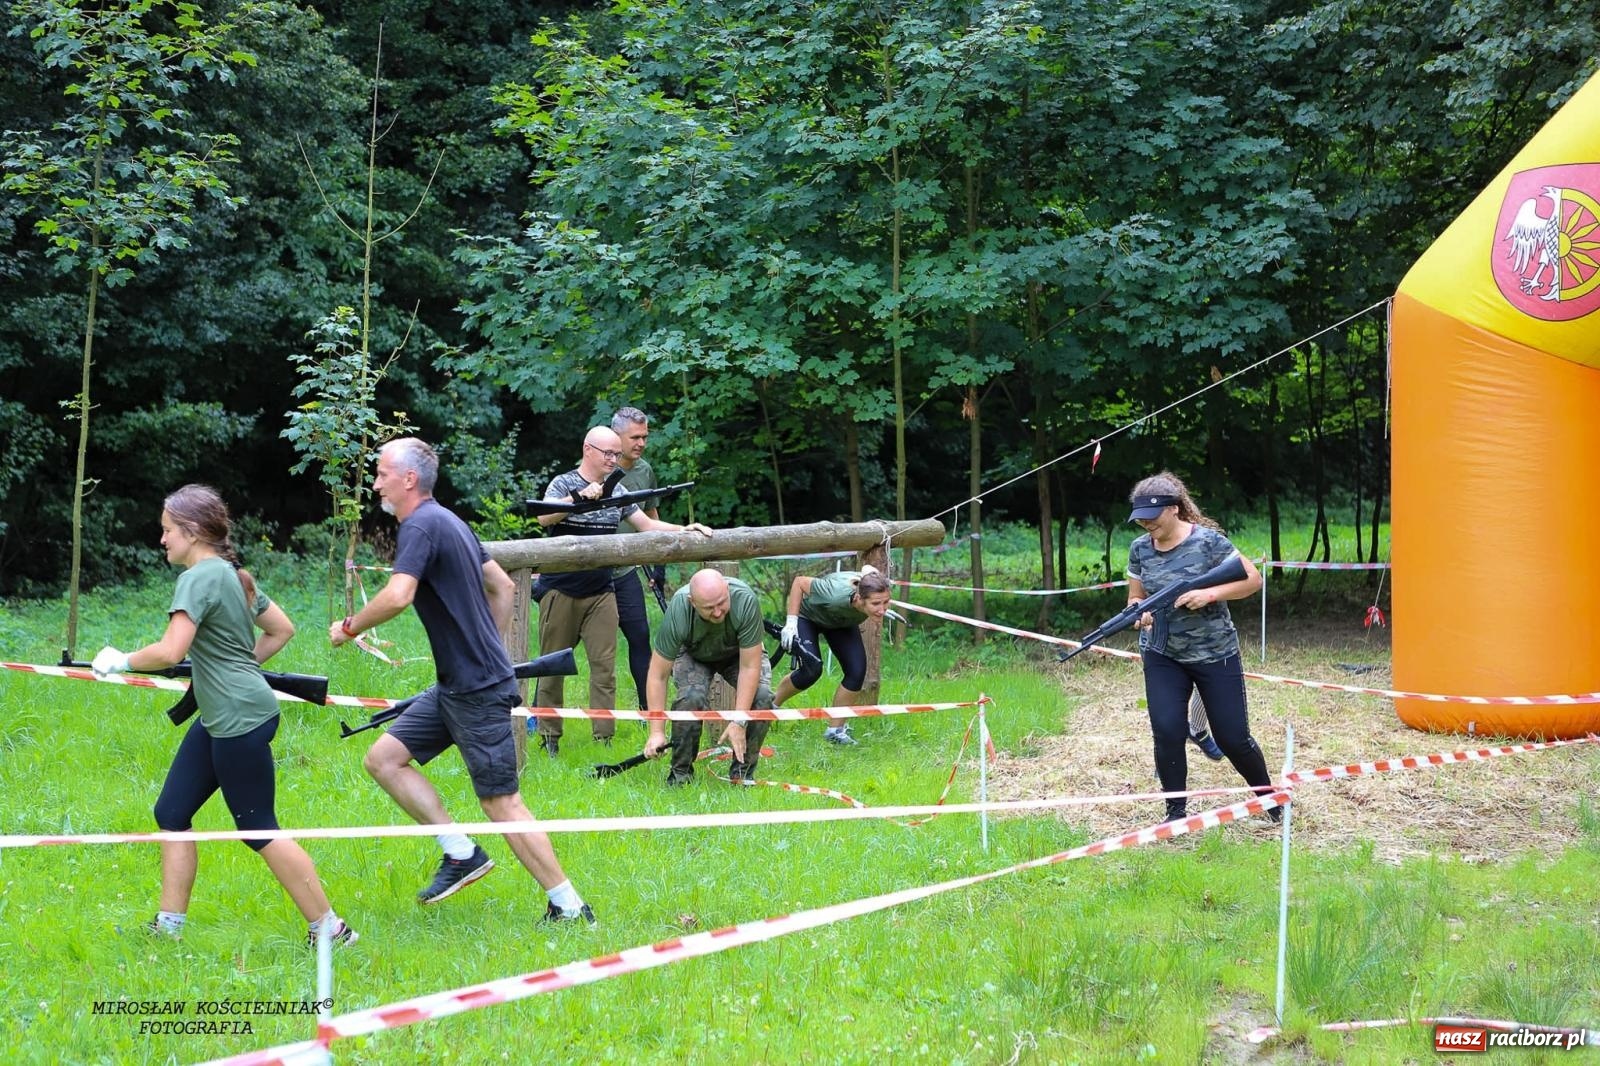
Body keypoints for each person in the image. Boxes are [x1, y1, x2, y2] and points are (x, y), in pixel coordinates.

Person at [330, 437, 594, 922]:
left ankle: (571, 907)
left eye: (382, 472)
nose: (376, 482)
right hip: (456, 685)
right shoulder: (450, 521)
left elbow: (398, 595)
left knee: (502, 804)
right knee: (385, 759)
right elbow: (504, 585)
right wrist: (485, 648)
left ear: (409, 479)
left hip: (476, 691)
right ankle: (460, 852)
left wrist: (349, 628)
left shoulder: (421, 527)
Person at [92, 484, 355, 946]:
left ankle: (331, 929)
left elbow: (171, 649)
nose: (163, 539)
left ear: (192, 532)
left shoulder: (198, 578)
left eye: (168, 530)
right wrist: (237, 666)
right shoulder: (234, 575)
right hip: (224, 714)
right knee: (172, 811)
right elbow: (281, 630)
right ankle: (169, 929)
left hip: (239, 718)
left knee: (258, 830)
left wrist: (122, 660)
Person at [531, 424, 709, 757]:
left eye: (617, 453)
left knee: (604, 668)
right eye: (608, 453)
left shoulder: (618, 488)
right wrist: (577, 500)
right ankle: (549, 735)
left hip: (602, 589)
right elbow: (543, 517)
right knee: (551, 667)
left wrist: (685, 529)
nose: (614, 459)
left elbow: (647, 525)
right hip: (561, 590)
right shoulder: (564, 482)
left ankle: (603, 738)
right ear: (588, 450)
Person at [1124, 471, 1277, 824]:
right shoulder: (1140, 549)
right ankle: (1175, 813)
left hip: (1214, 652)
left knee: (1233, 738)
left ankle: (1272, 801)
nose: (1147, 525)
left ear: (1174, 509)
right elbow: (1135, 596)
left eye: (1153, 517)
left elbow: (1252, 579)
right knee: (1167, 731)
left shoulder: (1209, 542)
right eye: (1140, 519)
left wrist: (1210, 594)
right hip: (1163, 653)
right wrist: (1138, 612)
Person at [642, 569, 772, 785]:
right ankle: (681, 775)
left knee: (763, 696)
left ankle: (742, 775)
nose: (719, 612)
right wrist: (656, 732)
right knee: (690, 699)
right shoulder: (679, 609)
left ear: (728, 591)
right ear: (693, 602)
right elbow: (657, 674)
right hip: (695, 653)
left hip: (737, 654)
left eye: (722, 603)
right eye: (709, 608)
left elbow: (750, 666)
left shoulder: (746, 600)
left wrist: (739, 720)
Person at [771, 566, 892, 745]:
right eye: (876, 604)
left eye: (886, 602)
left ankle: (835, 731)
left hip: (839, 621)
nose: (882, 610)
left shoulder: (874, 589)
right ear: (859, 598)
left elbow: (869, 572)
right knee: (811, 671)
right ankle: (768, 707)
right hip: (808, 617)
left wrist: (878, 607)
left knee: (856, 671)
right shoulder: (834, 594)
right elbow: (799, 582)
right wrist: (791, 623)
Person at [609, 407, 665, 709]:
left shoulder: (645, 470)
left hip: (627, 570)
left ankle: (648, 711)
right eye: (635, 437)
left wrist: (659, 565)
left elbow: (651, 516)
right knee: (565, 644)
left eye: (645, 437)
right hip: (590, 571)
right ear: (617, 436)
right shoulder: (596, 466)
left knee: (640, 636)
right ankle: (538, 713)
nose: (641, 443)